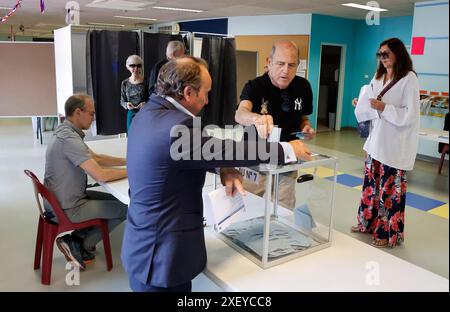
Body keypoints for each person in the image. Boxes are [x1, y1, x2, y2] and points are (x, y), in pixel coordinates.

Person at [122, 56, 312, 292]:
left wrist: (223, 168)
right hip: (161, 257)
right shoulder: (176, 126)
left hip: (143, 244)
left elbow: (183, 154)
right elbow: (225, 149)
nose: (207, 99)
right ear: (189, 92)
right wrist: (285, 149)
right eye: (206, 92)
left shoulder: (150, 113)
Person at [44, 94, 128, 269]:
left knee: (120, 202)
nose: (93, 118)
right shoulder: (69, 140)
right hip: (68, 207)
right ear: (77, 112)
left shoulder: (66, 131)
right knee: (125, 209)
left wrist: (127, 161)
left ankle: (76, 239)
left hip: (64, 198)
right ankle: (81, 243)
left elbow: (95, 158)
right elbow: (101, 175)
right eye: (91, 114)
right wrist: (134, 171)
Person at [350, 38, 420, 248]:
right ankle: (366, 223)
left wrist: (384, 107)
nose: (382, 58)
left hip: (395, 146)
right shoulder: (378, 76)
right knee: (371, 188)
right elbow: (372, 99)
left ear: (398, 54)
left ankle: (387, 232)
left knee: (389, 192)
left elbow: (411, 115)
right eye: (380, 54)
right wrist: (362, 103)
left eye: (386, 54)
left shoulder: (409, 79)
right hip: (375, 143)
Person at [235, 40, 315, 209]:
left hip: (288, 156)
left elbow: (303, 117)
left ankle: (277, 234)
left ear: (298, 65)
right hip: (255, 157)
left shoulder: (303, 87)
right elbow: (240, 114)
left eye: (292, 65)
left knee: (283, 206)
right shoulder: (255, 86)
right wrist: (256, 119)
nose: (285, 70)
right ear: (269, 62)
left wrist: (305, 127)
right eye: (280, 64)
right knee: (248, 203)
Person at [120, 55, 148, 131]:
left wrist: (145, 103)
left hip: (144, 113)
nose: (136, 68)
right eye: (132, 65)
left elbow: (152, 98)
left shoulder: (146, 81)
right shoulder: (124, 83)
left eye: (138, 66)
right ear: (128, 67)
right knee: (131, 136)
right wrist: (127, 105)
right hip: (131, 114)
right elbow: (122, 101)